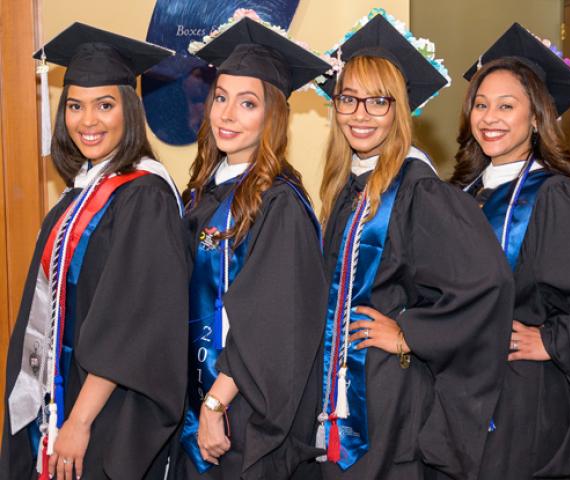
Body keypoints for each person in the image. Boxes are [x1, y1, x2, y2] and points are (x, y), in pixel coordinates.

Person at [313, 10, 514, 480]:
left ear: (399, 110)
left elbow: (487, 282)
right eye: (349, 99)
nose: (360, 115)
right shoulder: (348, 185)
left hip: (387, 399)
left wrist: (409, 334)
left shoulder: (418, 191)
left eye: (378, 102)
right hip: (339, 393)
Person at [0, 23, 189, 480]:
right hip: (61, 397)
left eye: (105, 105)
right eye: (75, 106)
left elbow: (133, 322)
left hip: (106, 411)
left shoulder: (145, 197)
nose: (88, 121)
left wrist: (80, 421)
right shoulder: (80, 193)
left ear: (129, 109)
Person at [451, 22, 570, 480]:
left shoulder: (556, 197)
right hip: (460, 393)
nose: (489, 117)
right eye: (481, 104)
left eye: (507, 106)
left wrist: (553, 341)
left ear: (536, 118)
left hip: (521, 399)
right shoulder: (461, 192)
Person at [170, 11, 330, 480]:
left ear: (273, 115)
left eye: (247, 103)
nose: (226, 114)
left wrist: (217, 402)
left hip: (241, 417)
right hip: (197, 409)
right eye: (221, 98)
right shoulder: (203, 190)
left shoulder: (279, 203)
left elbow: (273, 323)